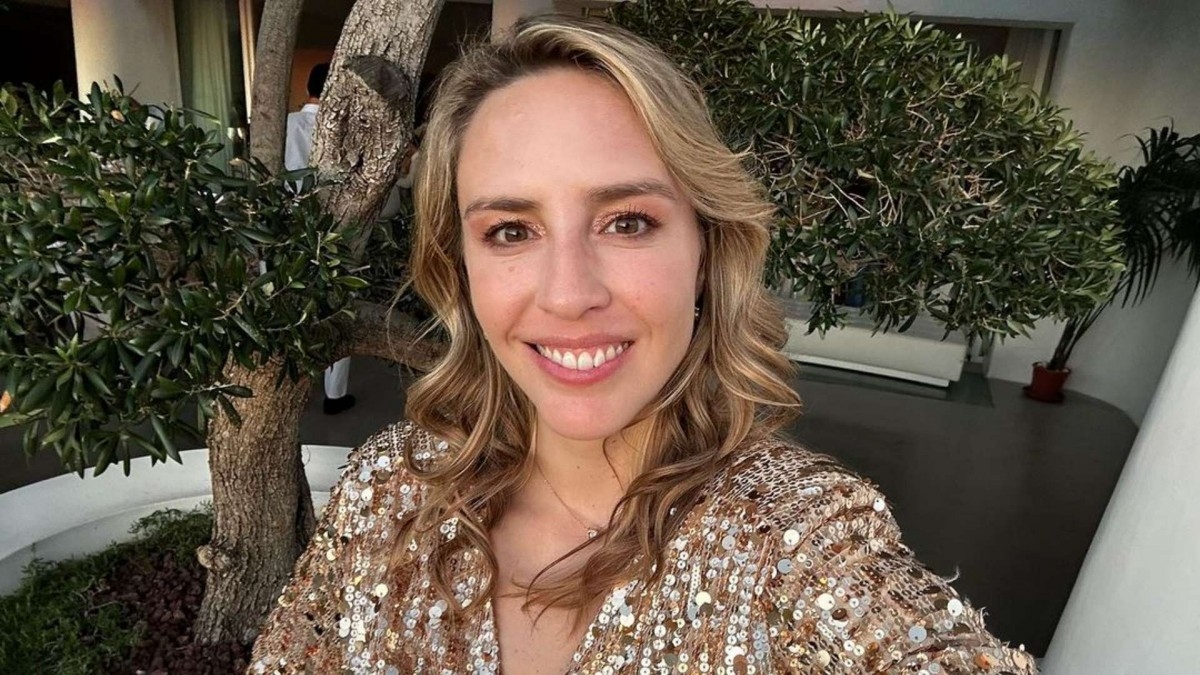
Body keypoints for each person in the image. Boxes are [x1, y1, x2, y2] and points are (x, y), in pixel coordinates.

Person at [249, 16, 1037, 675]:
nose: (568, 294)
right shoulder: (388, 490)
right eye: (511, 230)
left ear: (707, 249)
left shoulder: (796, 547)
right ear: (461, 266)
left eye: (627, 222)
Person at [284, 62, 356, 415]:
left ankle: (286, 380)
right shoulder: (345, 132)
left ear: (308, 88)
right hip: (334, 226)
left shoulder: (284, 124)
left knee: (287, 301)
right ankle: (335, 394)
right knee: (337, 306)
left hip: (287, 224)